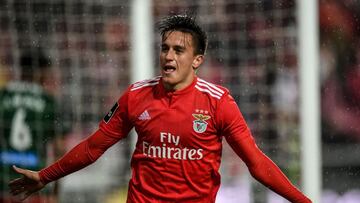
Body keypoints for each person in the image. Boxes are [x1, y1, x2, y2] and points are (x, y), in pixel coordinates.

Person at [9, 15, 311, 203]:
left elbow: (256, 162)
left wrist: (302, 201)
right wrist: (46, 176)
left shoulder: (218, 102)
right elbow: (93, 147)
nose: (168, 56)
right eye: (165, 48)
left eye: (179, 50)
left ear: (197, 60)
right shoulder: (136, 95)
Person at [1, 48, 67, 203]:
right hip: (32, 186)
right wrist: (56, 193)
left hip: (2, 182)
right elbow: (59, 151)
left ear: (21, 69)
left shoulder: (2, 96)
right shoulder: (48, 102)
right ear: (42, 72)